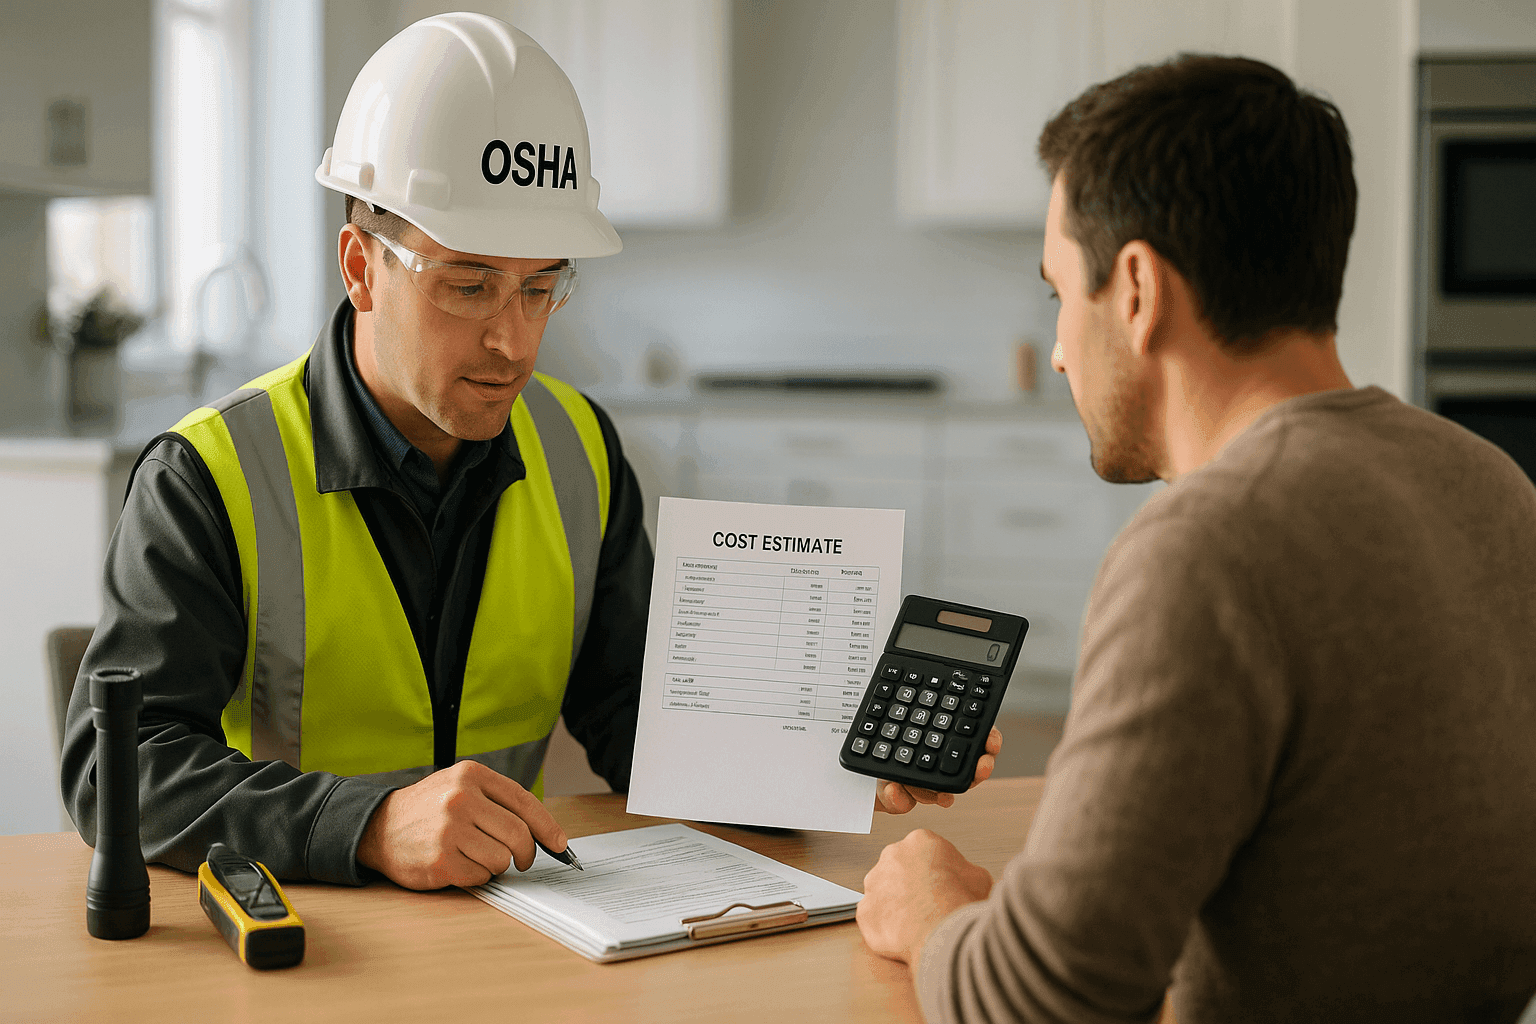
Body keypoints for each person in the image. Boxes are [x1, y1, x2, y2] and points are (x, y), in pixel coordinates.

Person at [61, 12, 996, 892]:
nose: (515, 340)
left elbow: (638, 718)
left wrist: (808, 758)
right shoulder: (212, 476)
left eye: (542, 286)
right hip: (302, 935)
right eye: (469, 286)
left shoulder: (580, 449)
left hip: (519, 923)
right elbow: (116, 769)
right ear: (360, 268)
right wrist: (369, 822)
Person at [857, 54, 1536, 1023]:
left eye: (1059, 294)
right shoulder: (1495, 487)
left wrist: (932, 910)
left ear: (1134, 289)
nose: (1055, 349)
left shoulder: (1207, 547)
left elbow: (1043, 1002)